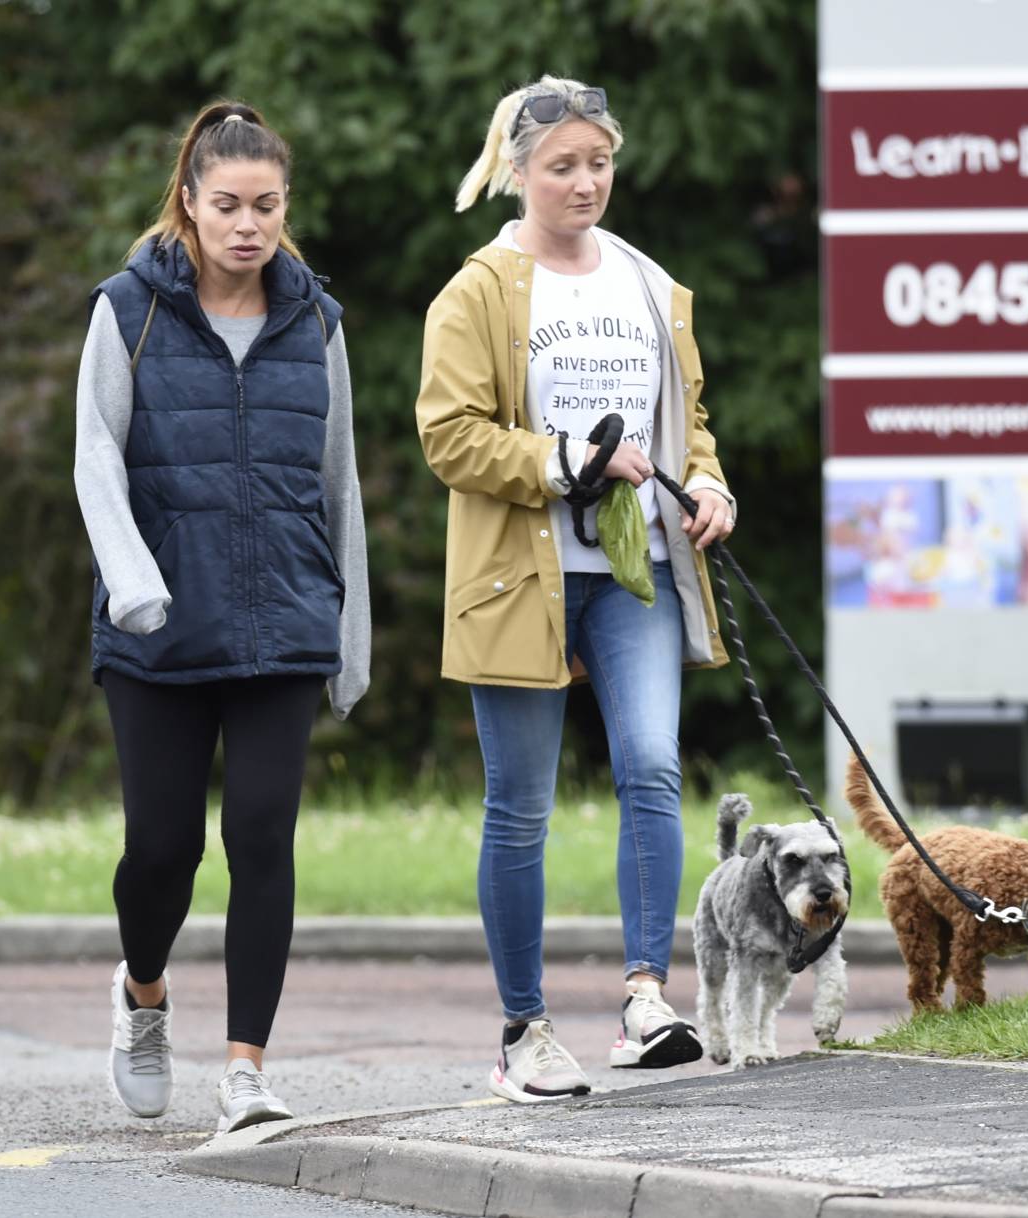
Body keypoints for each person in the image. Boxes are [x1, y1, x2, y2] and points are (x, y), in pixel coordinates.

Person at [415, 76, 735, 1102]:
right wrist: (570, 462)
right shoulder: (477, 289)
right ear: (517, 172)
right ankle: (524, 1032)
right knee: (520, 810)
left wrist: (711, 483)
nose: (585, 182)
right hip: (520, 576)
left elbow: (686, 418)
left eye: (599, 163)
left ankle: (646, 1001)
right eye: (563, 166)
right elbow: (449, 435)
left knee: (650, 766)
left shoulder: (648, 283)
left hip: (632, 570)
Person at [73, 100, 369, 1132]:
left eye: (268, 207)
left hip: (283, 617)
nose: (249, 225)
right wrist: (131, 580)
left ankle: (245, 1070)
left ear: (286, 210)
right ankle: (143, 993)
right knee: (162, 849)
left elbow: (340, 485)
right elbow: (94, 457)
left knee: (262, 835)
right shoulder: (129, 308)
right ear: (190, 205)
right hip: (159, 627)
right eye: (229, 205)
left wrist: (351, 631)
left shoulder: (315, 322)